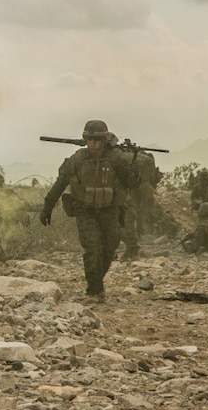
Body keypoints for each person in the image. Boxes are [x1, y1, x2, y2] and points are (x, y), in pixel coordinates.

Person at [39, 120, 132, 301]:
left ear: (104, 141)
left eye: (97, 140)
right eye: (90, 139)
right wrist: (47, 206)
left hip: (109, 210)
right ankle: (94, 290)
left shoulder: (115, 159)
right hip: (85, 210)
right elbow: (60, 183)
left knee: (109, 248)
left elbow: (131, 183)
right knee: (92, 247)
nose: (93, 144)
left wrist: (133, 168)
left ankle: (96, 282)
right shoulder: (78, 159)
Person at [110, 134, 161, 261]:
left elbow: (147, 161)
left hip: (121, 200)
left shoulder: (118, 156)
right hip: (116, 198)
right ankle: (128, 250)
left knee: (123, 224)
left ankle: (133, 250)